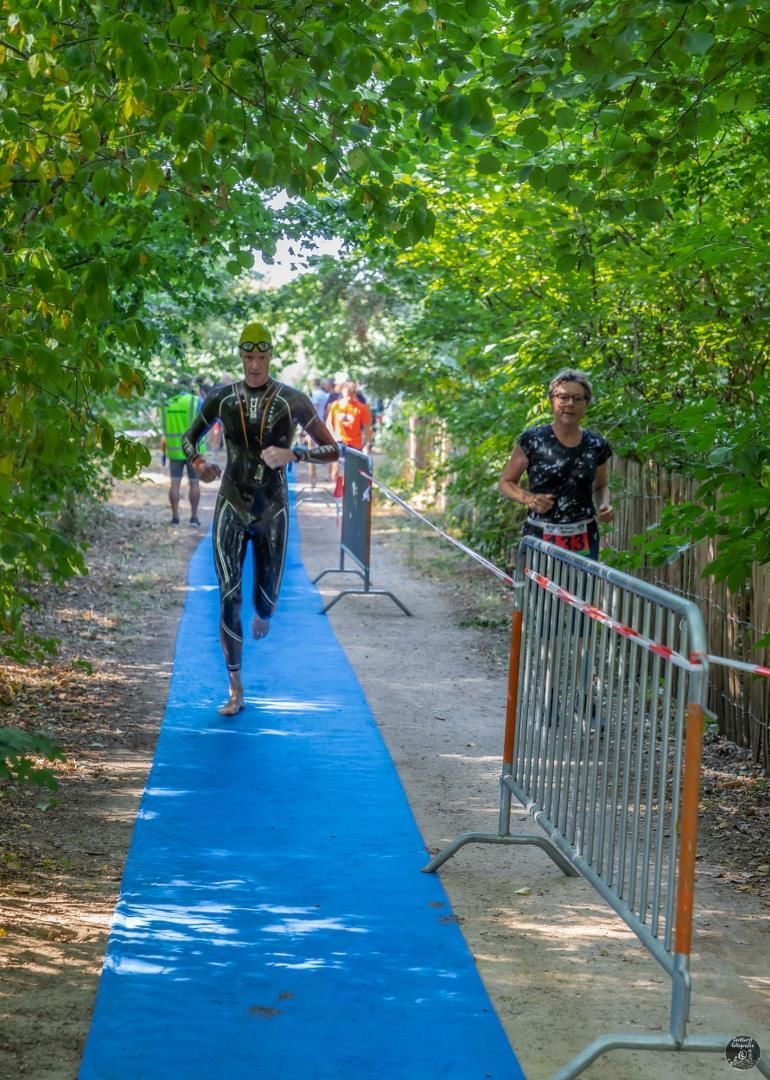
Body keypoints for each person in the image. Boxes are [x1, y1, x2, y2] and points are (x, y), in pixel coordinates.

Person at [181, 321, 339, 716]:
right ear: (240, 356)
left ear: (271, 356)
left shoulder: (292, 400)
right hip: (232, 502)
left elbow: (334, 450)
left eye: (261, 357)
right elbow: (189, 438)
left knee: (264, 600)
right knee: (228, 595)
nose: (254, 365)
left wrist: (294, 455)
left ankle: (264, 612)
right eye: (248, 357)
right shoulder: (222, 398)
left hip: (272, 509)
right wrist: (199, 463)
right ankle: (236, 688)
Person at [498, 368, 613, 559]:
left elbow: (601, 486)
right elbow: (505, 483)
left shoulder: (596, 444)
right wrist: (530, 499)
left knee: (579, 590)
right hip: (540, 535)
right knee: (539, 589)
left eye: (578, 399)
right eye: (563, 397)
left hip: (584, 536)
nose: (570, 404)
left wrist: (605, 505)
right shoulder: (533, 440)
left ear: (586, 404)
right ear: (552, 400)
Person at [160, 382, 203, 527]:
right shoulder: (196, 401)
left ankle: (175, 518)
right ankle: (194, 518)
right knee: (195, 483)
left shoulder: (167, 404)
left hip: (174, 450)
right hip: (193, 451)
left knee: (175, 484)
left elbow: (163, 427)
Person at [326, 380, 372, 485]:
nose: (349, 398)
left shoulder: (361, 408)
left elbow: (367, 428)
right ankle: (338, 495)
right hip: (339, 442)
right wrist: (333, 436)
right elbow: (329, 423)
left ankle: (348, 495)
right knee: (336, 471)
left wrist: (366, 443)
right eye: (347, 395)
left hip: (355, 444)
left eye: (351, 395)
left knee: (352, 473)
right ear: (342, 392)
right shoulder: (335, 406)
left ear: (355, 394)